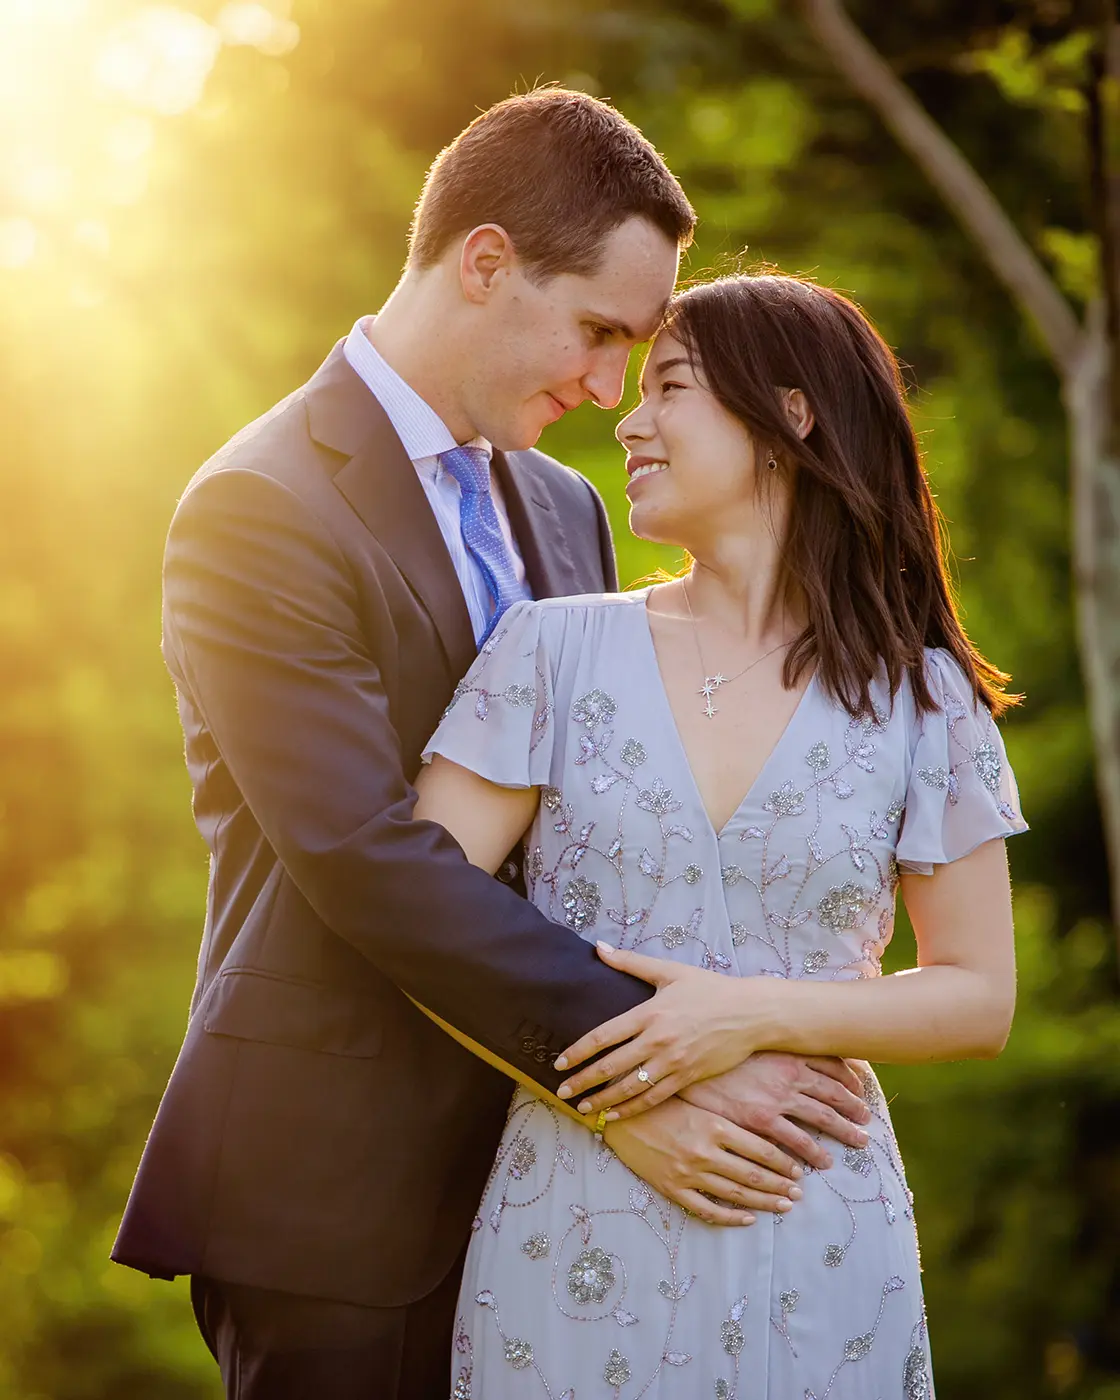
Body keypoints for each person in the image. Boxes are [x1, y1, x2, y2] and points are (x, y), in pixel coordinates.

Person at [111, 93, 871, 1400]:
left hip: (551, 1187)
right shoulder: (260, 508)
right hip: (337, 1192)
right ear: (484, 264)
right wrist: (647, 1064)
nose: (606, 389)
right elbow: (362, 852)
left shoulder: (563, 506)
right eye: (597, 332)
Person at [414, 271, 1026, 1395]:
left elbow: (977, 995)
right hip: (572, 1213)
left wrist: (749, 1014)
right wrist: (621, 1097)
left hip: (815, 1216)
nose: (627, 418)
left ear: (789, 416)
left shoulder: (924, 697)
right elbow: (419, 919)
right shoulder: (545, 651)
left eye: (670, 387)